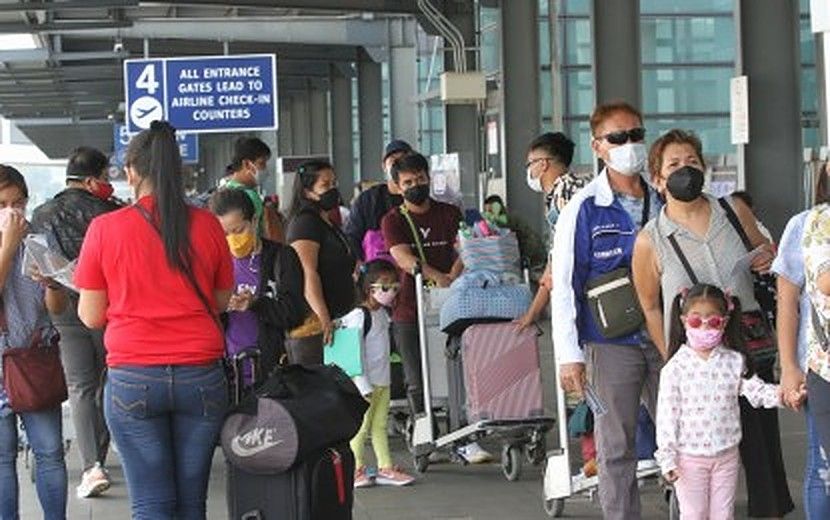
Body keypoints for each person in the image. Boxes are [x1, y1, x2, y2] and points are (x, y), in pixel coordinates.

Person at [75, 121, 234, 519]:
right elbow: (221, 300)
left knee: (152, 505)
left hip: (133, 378)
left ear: (130, 172)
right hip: (201, 375)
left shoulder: (105, 229)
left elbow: (92, 316)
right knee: (190, 502)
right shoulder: (208, 224)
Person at [632, 128, 793, 518]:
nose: (684, 170)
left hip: (747, 344)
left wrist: (765, 257)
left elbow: (766, 253)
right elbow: (650, 305)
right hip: (694, 357)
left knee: (760, 439)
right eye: (673, 165)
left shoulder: (733, 211)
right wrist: (671, 356)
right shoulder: (650, 239)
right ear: (657, 178)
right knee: (697, 442)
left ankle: (768, 509)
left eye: (691, 162)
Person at [551, 101, 663, 519]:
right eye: (618, 138)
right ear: (598, 146)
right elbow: (564, 283)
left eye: (636, 135)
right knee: (616, 446)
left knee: (683, 437)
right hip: (609, 343)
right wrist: (570, 356)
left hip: (665, 336)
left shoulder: (662, 198)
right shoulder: (583, 207)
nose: (629, 144)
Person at [656, 283, 800, 520]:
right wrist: (667, 457)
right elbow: (667, 417)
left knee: (724, 514)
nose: (704, 327)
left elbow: (757, 392)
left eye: (712, 322)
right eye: (695, 321)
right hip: (689, 458)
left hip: (727, 456)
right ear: (683, 321)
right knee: (694, 514)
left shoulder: (734, 361)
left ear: (724, 321)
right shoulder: (675, 368)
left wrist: (785, 395)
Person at [380, 153, 489, 464]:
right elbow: (402, 257)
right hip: (410, 311)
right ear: (398, 187)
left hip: (455, 306)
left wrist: (454, 274)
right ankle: (426, 436)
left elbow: (466, 245)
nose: (416, 186)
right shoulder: (394, 220)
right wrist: (438, 277)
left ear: (429, 178)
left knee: (461, 376)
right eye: (408, 183)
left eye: (421, 179)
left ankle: (465, 437)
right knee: (417, 380)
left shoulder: (450, 212)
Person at [30, 146, 121, 500]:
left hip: (64, 309)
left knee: (81, 386)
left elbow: (38, 264)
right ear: (91, 179)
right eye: (105, 177)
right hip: (108, 307)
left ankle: (91, 465)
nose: (108, 184)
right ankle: (108, 449)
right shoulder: (110, 213)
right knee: (111, 378)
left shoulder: (40, 214)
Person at [0, 165, 69, 520]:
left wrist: (54, 283)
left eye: (19, 203)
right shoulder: (14, 243)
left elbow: (55, 308)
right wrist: (7, 248)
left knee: (50, 453)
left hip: (34, 360)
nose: (13, 212)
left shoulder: (39, 239)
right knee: (2, 459)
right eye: (2, 204)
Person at [773, 161, 830, 518]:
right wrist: (789, 367)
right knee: (822, 467)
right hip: (819, 365)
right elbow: (788, 301)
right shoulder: (806, 224)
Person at [209, 189, 306, 380]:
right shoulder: (212, 262)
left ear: (254, 221)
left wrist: (256, 303)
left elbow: (294, 313)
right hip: (225, 373)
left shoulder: (281, 258)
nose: (232, 239)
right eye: (224, 233)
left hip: (271, 372)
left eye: (238, 230)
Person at [348, 259, 415, 488]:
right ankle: (355, 468)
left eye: (395, 286)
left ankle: (385, 466)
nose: (391, 291)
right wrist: (362, 383)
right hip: (365, 384)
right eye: (385, 286)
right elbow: (354, 354)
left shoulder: (383, 315)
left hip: (382, 381)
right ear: (370, 288)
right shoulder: (359, 316)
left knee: (379, 425)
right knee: (361, 427)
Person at [286, 159, 356, 365]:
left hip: (340, 316)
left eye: (334, 183)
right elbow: (307, 272)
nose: (333, 189)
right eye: (325, 185)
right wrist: (323, 316)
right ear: (307, 192)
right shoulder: (305, 223)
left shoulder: (326, 220)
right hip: (318, 323)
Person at [516, 132, 588, 332]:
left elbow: (559, 258)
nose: (529, 171)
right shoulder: (576, 187)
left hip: (581, 293)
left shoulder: (563, 195)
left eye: (530, 164)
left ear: (543, 164)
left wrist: (532, 313)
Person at [345, 139, 411, 262]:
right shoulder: (368, 200)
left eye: (403, 160)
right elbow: (352, 236)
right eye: (392, 161)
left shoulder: (419, 196)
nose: (397, 165)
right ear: (384, 166)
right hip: (377, 271)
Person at [224, 137, 273, 239]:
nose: (265, 169)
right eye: (261, 163)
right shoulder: (250, 197)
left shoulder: (224, 191)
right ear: (246, 164)